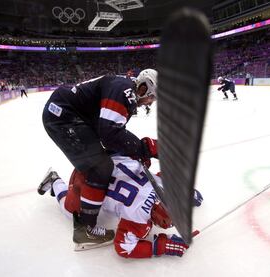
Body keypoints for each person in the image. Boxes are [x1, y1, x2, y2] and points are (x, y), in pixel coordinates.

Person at [41, 69, 159, 248]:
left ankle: (55, 182)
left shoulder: (125, 88)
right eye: (152, 97)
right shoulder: (125, 91)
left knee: (102, 162)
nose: (150, 102)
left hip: (71, 115)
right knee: (100, 168)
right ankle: (85, 230)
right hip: (64, 117)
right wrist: (142, 149)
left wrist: (134, 150)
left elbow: (111, 137)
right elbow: (109, 133)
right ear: (144, 88)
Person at [37, 155, 204, 256]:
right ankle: (55, 182)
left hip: (96, 161)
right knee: (70, 212)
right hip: (84, 182)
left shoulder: (160, 183)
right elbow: (123, 247)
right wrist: (163, 246)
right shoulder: (139, 220)